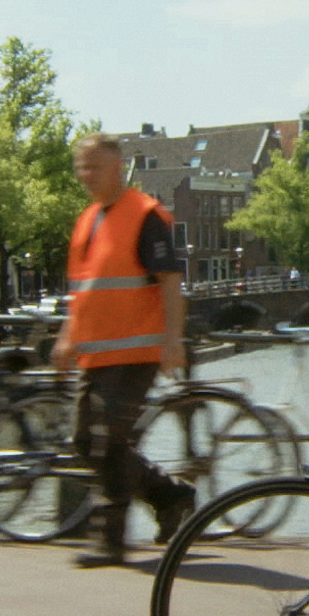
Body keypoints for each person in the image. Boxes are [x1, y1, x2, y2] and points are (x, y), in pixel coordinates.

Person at [49, 133, 198, 567]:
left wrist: (173, 338)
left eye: (94, 167)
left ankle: (109, 539)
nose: (85, 175)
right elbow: (82, 291)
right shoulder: (87, 220)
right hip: (97, 355)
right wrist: (66, 337)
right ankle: (170, 496)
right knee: (83, 440)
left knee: (107, 439)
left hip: (137, 351)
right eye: (81, 167)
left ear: (117, 167)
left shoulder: (144, 216)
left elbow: (170, 282)